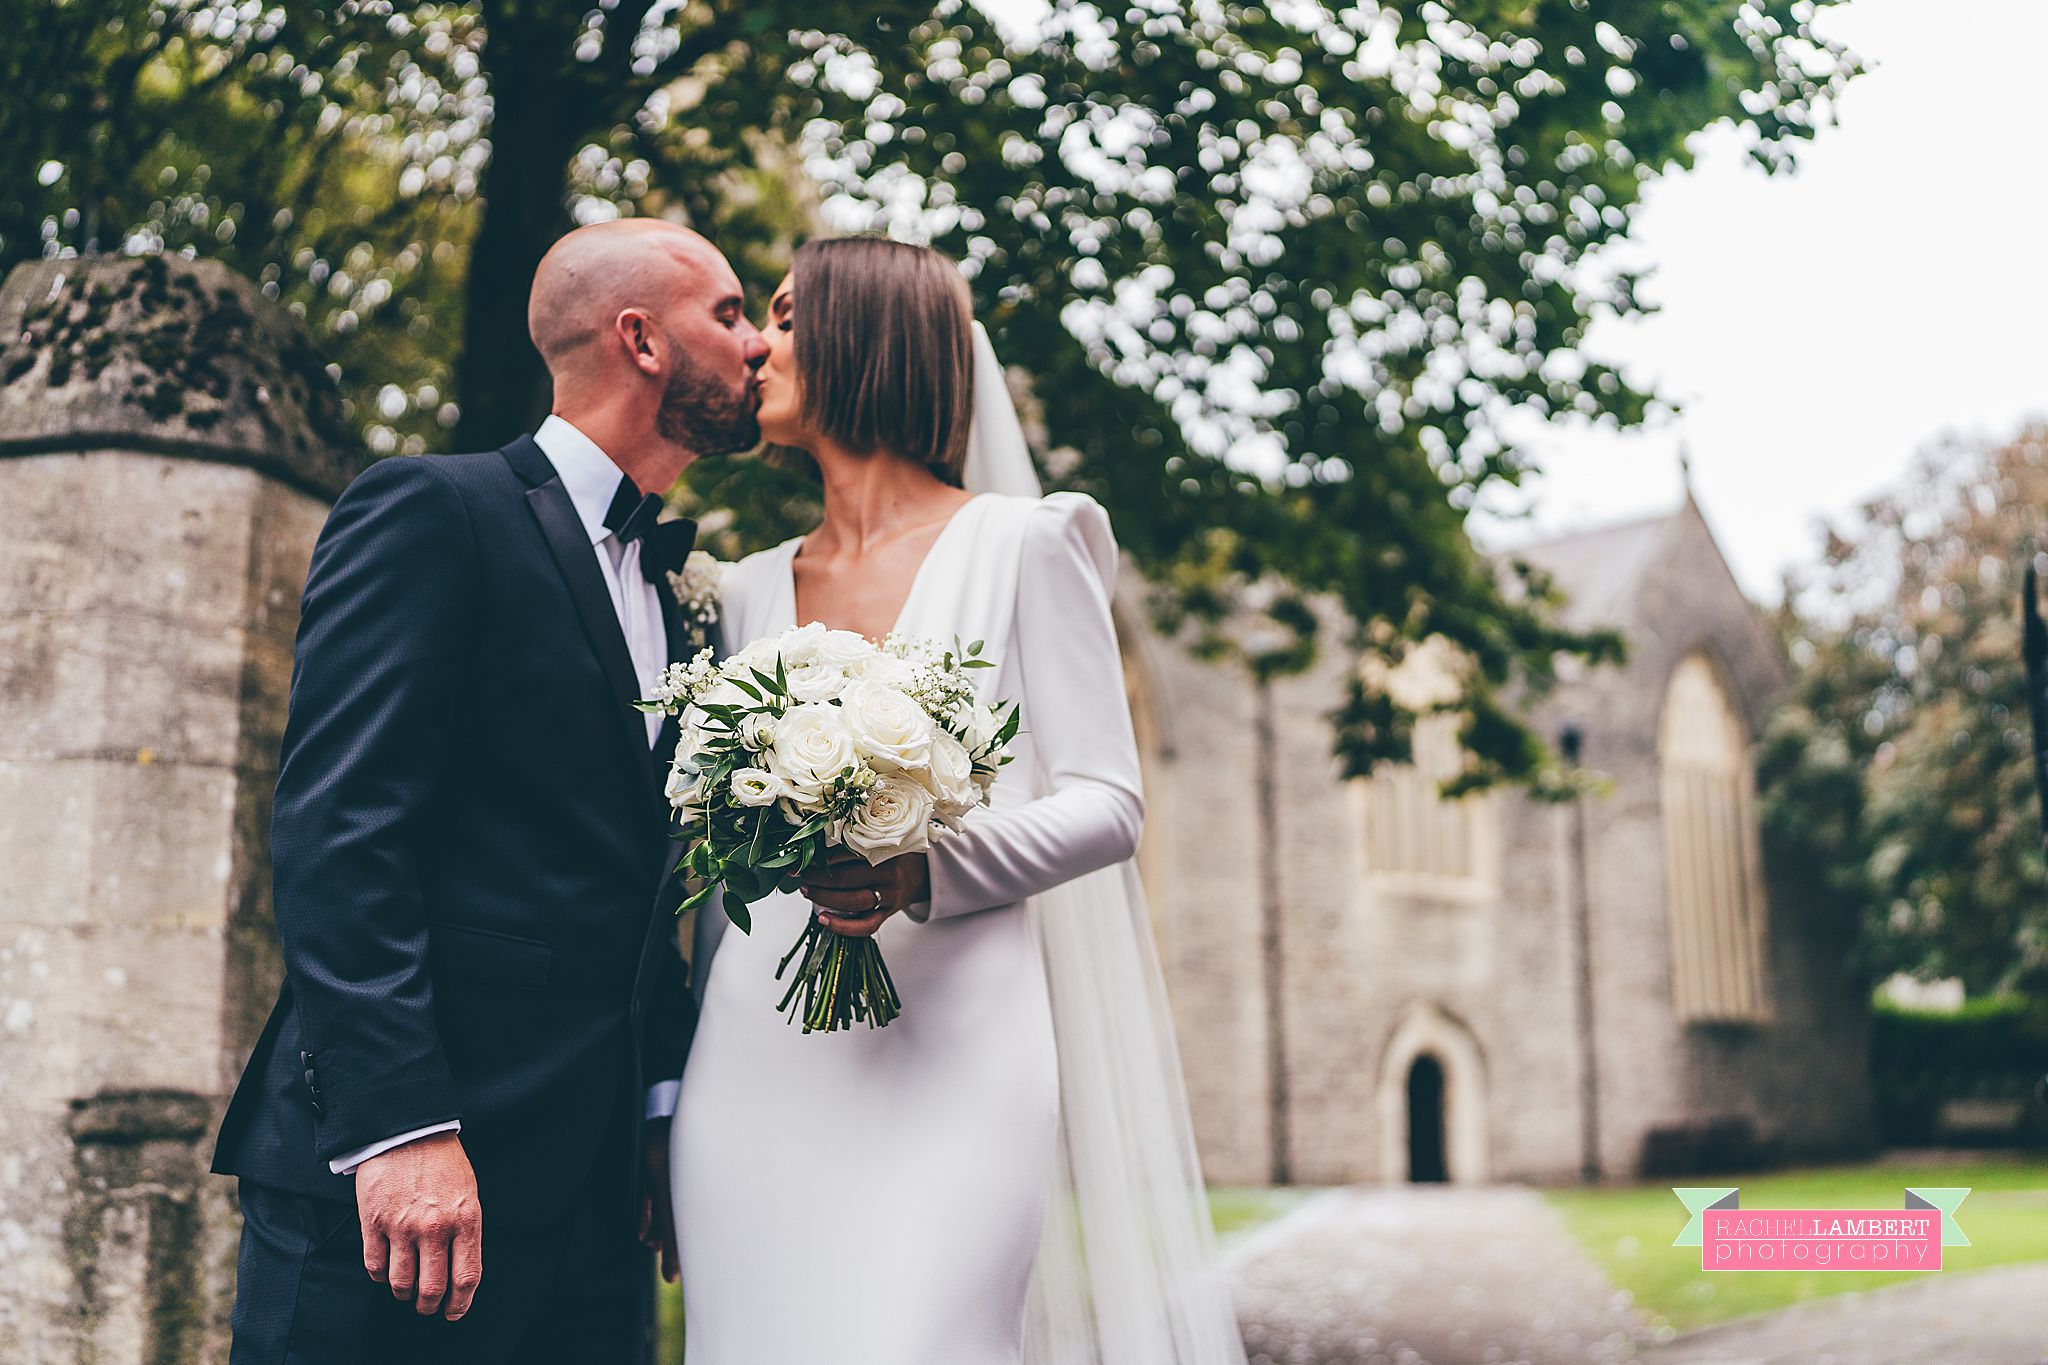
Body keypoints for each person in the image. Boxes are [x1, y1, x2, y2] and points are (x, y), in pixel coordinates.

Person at [672, 235, 1248, 1365]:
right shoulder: (742, 590)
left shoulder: (1030, 544)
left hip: (959, 1057)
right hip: (752, 1063)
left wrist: (921, 869)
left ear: (865, 337)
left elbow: (1106, 801)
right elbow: (707, 861)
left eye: (787, 319)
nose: (757, 349)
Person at [211, 219, 766, 1362]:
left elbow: (637, 896)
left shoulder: (682, 593)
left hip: (591, 1204)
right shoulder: (431, 511)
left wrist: (659, 1123)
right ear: (641, 341)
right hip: (398, 1194)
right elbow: (339, 832)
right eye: (728, 313)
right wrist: (402, 1130)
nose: (757, 343)